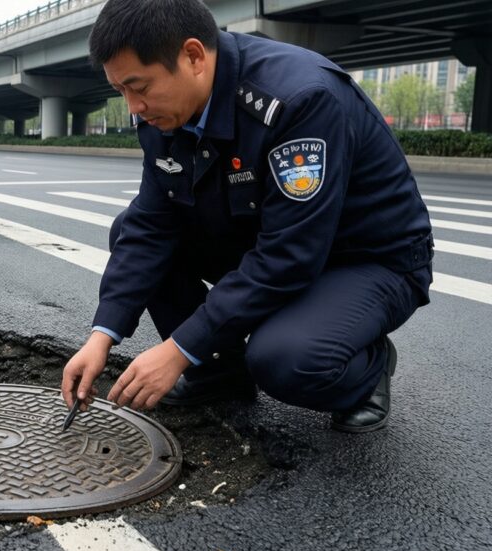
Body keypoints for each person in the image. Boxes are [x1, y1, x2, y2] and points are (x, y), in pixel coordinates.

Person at [61, 0, 434, 432]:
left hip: (366, 260)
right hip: (274, 241)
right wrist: (101, 336)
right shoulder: (166, 113)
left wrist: (179, 349)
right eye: (121, 90)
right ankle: (219, 372)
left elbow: (289, 255)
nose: (134, 107)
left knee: (283, 359)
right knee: (127, 228)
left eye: (139, 87)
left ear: (194, 56)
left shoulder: (298, 99)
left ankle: (367, 370)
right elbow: (151, 224)